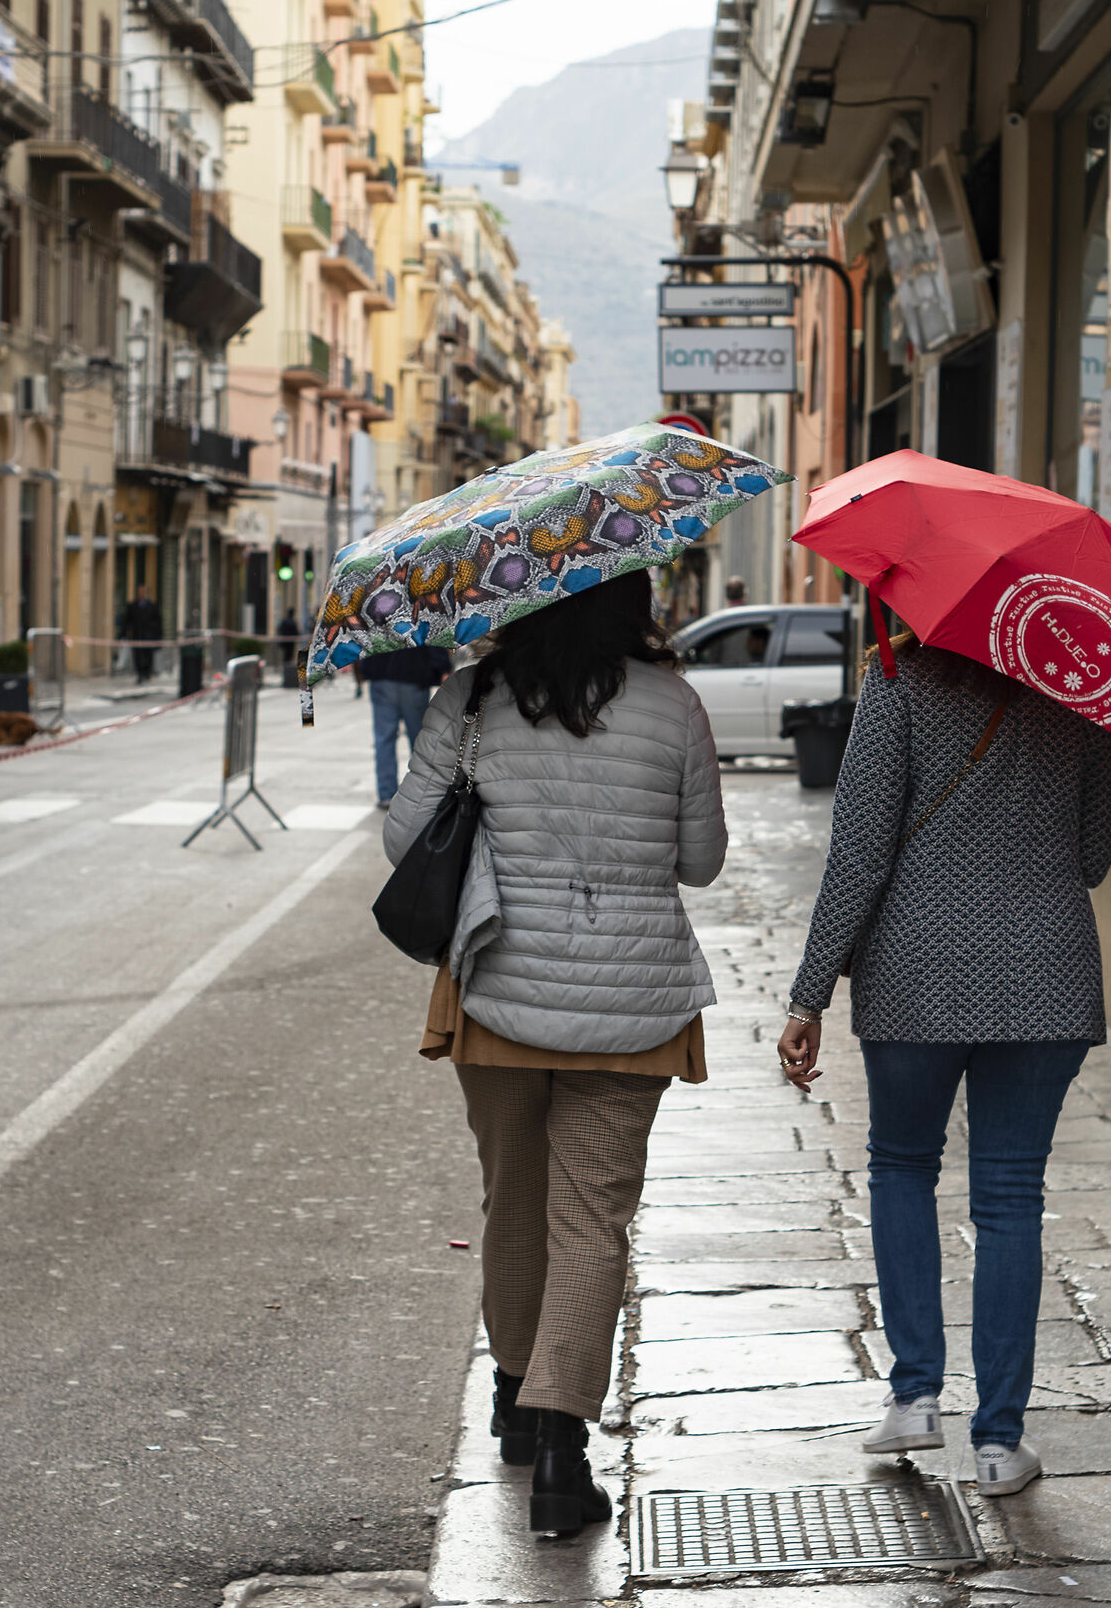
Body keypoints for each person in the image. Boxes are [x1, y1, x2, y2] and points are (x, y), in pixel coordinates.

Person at [383, 569, 725, 1538]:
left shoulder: (473, 696)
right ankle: (563, 1459)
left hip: (497, 985)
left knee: (514, 1199)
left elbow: (405, 836)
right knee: (592, 1220)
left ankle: (513, 1393)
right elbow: (701, 860)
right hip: (631, 1004)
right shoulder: (675, 704)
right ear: (634, 600)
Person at [777, 634, 1111, 1498]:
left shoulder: (897, 682)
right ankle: (1001, 1442)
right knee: (1009, 1196)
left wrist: (808, 993)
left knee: (901, 1166)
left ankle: (916, 1395)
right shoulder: (1078, 692)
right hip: (1046, 974)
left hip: (915, 975)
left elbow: (859, 852)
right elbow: (1093, 858)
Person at [361, 637, 451, 808]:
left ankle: (386, 794)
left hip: (381, 674)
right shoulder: (418, 608)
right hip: (414, 673)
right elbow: (431, 632)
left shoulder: (371, 609)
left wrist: (366, 668)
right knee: (418, 738)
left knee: (384, 739)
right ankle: (420, 790)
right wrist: (442, 667)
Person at [120, 588, 161, 685]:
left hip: (148, 636)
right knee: (137, 656)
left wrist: (156, 634)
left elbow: (157, 621)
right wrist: (125, 633)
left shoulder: (152, 606)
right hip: (137, 635)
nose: (141, 595)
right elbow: (127, 621)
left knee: (148, 655)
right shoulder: (132, 606)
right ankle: (139, 674)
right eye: (139, 593)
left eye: (142, 593)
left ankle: (146, 673)